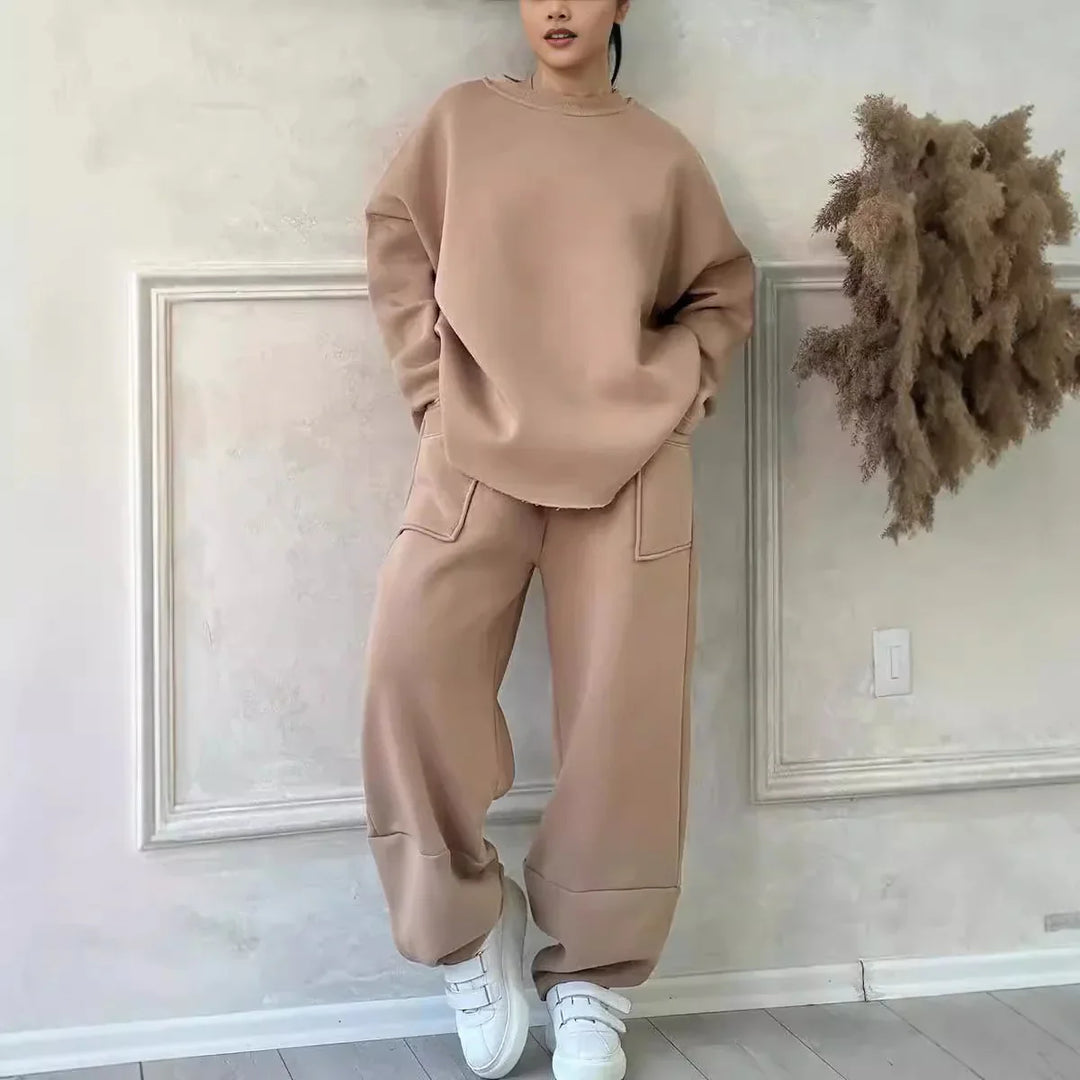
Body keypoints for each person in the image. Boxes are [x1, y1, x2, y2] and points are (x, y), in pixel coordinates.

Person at [361, 2, 754, 1077]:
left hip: (630, 466)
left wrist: (675, 396)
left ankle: (593, 979)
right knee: (410, 665)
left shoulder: (660, 154)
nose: (561, 5)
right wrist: (433, 400)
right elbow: (397, 239)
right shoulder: (460, 126)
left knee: (624, 719)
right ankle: (462, 920)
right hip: (476, 450)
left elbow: (724, 295)